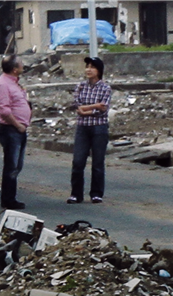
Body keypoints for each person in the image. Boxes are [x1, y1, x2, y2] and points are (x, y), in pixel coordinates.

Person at [68, 56, 112, 204]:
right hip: (82, 128)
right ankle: (76, 194)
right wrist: (95, 106)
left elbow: (103, 110)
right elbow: (77, 105)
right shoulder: (80, 86)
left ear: (99, 70)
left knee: (98, 162)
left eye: (92, 67)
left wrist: (89, 109)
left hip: (99, 127)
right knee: (78, 161)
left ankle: (96, 193)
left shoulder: (105, 88)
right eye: (87, 66)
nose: (88, 70)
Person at [0, 54, 31, 210]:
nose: (23, 66)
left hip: (19, 128)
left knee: (17, 165)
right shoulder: (3, 84)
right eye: (21, 64)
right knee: (11, 165)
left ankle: (11, 196)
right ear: (15, 69)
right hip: (11, 129)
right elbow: (3, 110)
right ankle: (8, 199)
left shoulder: (14, 83)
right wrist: (17, 125)